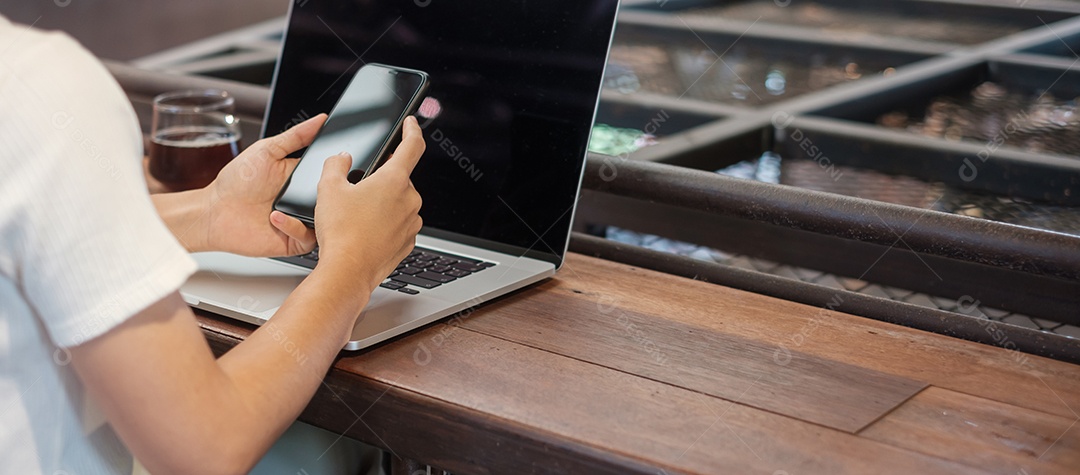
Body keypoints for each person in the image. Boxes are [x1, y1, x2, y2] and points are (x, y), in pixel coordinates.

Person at [0, 16, 424, 474]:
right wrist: (353, 267)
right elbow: (205, 450)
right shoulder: (40, 84)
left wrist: (209, 213)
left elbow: (38, 229)